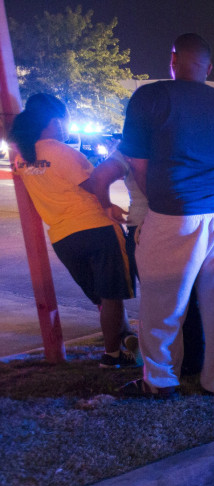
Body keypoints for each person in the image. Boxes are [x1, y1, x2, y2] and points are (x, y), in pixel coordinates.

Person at [117, 33, 214, 398]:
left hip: (177, 211)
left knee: (163, 304)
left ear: (172, 60)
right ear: (209, 68)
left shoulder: (150, 96)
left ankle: (160, 380)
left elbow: (138, 165)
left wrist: (160, 203)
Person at [10, 93, 139, 369]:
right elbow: (94, 185)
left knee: (103, 298)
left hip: (63, 239)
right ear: (56, 121)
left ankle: (126, 338)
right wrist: (110, 207)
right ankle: (112, 355)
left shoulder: (23, 158)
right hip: (98, 229)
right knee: (112, 294)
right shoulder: (62, 152)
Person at [85, 146, 206, 376]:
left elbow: (99, 177)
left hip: (143, 227)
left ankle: (164, 364)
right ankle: (190, 361)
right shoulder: (173, 137)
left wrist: (108, 208)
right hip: (180, 223)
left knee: (158, 302)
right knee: (189, 298)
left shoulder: (130, 144)